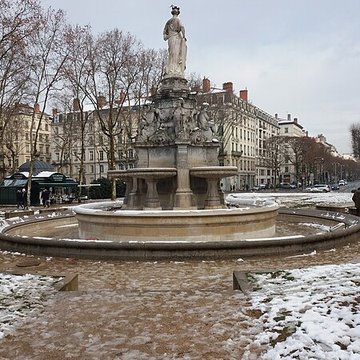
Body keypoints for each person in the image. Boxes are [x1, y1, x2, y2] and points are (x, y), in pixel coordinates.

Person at [163, 5, 187, 78]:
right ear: (178, 13)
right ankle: (175, 70)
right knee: (176, 54)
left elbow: (164, 33)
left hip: (170, 39)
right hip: (176, 38)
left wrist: (167, 36)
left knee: (171, 54)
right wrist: (184, 36)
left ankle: (171, 69)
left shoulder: (168, 22)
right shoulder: (177, 20)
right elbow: (182, 27)